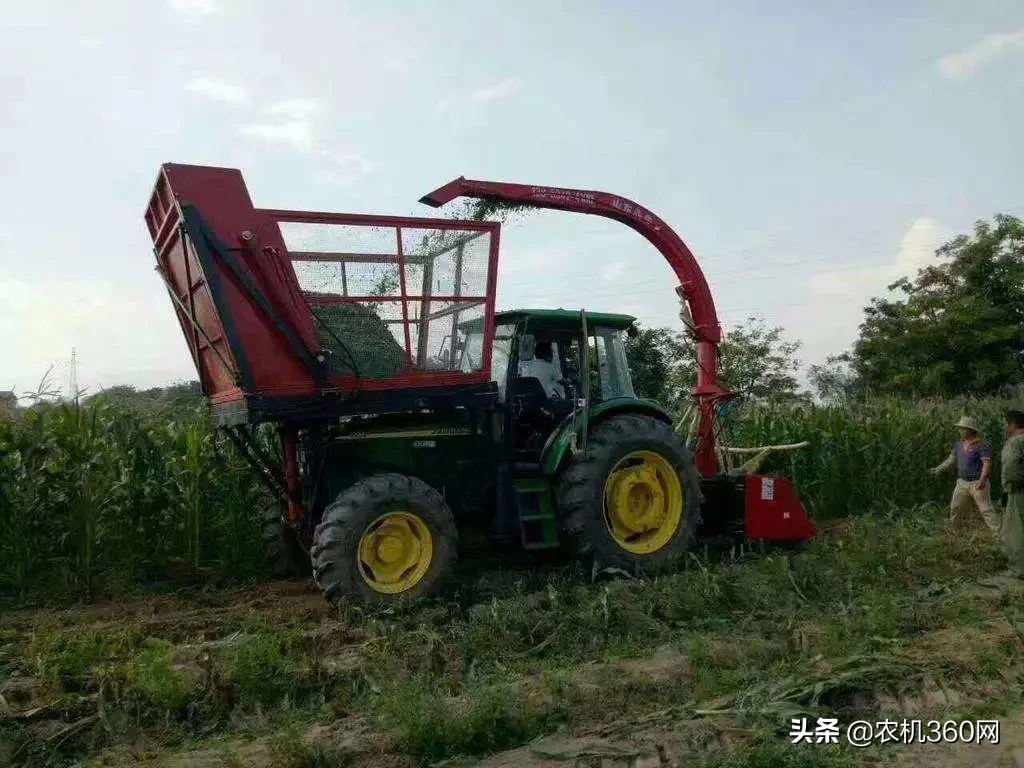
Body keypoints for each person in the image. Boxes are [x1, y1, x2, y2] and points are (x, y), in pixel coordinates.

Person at [929, 416, 998, 536]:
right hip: (962, 483)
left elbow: (987, 464)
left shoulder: (980, 445)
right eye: (960, 429)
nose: (960, 431)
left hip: (977, 483)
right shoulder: (958, 444)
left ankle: (998, 536)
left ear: (970, 430)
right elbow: (951, 460)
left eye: (963, 429)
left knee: (986, 511)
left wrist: (981, 480)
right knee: (955, 509)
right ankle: (955, 533)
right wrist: (938, 469)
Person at [1000, 409, 1024, 574]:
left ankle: (1019, 568)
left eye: (1005, 424)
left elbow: (1011, 465)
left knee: (1016, 529)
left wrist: (1009, 485)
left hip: (1018, 491)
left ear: (1013, 425)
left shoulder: (1015, 442)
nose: (1003, 427)